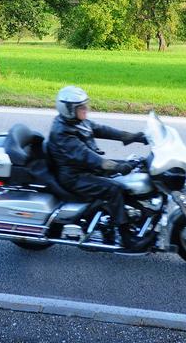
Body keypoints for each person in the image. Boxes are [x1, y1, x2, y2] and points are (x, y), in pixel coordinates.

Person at [46, 85, 152, 252]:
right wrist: (119, 167)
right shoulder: (62, 133)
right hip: (74, 177)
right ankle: (127, 238)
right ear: (68, 109)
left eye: (85, 104)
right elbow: (89, 158)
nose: (86, 109)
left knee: (131, 173)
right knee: (114, 188)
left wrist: (134, 137)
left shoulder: (77, 121)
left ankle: (138, 214)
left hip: (84, 168)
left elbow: (102, 129)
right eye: (81, 107)